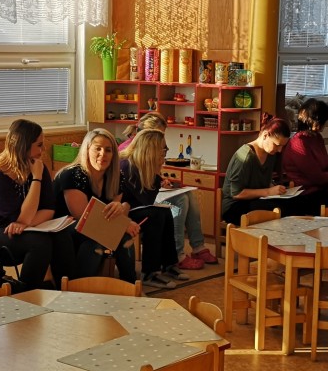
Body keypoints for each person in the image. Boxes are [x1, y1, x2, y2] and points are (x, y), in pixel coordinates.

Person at [0, 119, 76, 290]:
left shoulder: (36, 166)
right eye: (39, 145)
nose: (43, 149)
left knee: (61, 235)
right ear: (23, 146)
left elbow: (48, 210)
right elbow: (22, 217)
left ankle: (67, 289)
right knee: (39, 243)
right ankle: (26, 294)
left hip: (19, 230)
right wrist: (37, 179)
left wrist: (26, 225)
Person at [118, 112, 215, 270]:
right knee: (178, 202)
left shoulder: (147, 154)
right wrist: (157, 177)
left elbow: (146, 183)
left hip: (142, 199)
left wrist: (160, 179)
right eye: (160, 137)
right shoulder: (128, 156)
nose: (163, 146)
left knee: (188, 195)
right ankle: (178, 254)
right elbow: (142, 196)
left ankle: (197, 247)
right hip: (133, 205)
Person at [55, 128, 138, 282]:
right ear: (87, 150)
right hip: (65, 228)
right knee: (95, 242)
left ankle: (130, 285)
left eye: (108, 150)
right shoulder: (71, 175)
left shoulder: (116, 176)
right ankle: (81, 287)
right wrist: (123, 224)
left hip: (95, 227)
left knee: (125, 237)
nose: (102, 154)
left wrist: (120, 211)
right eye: (97, 149)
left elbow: (114, 213)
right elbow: (83, 218)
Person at [120, 129, 187, 289]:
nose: (165, 152)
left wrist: (156, 175)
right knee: (155, 216)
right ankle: (150, 272)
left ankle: (169, 264)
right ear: (150, 150)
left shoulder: (144, 166)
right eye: (162, 149)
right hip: (121, 213)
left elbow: (147, 199)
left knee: (165, 212)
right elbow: (144, 200)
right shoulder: (127, 166)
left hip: (135, 208)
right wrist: (156, 174)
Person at [222, 116, 306, 224]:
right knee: (278, 209)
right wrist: (268, 192)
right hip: (234, 206)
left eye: (282, 146)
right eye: (277, 145)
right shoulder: (245, 157)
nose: (279, 150)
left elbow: (262, 181)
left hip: (257, 200)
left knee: (298, 203)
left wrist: (276, 189)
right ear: (265, 135)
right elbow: (236, 193)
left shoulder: (270, 154)